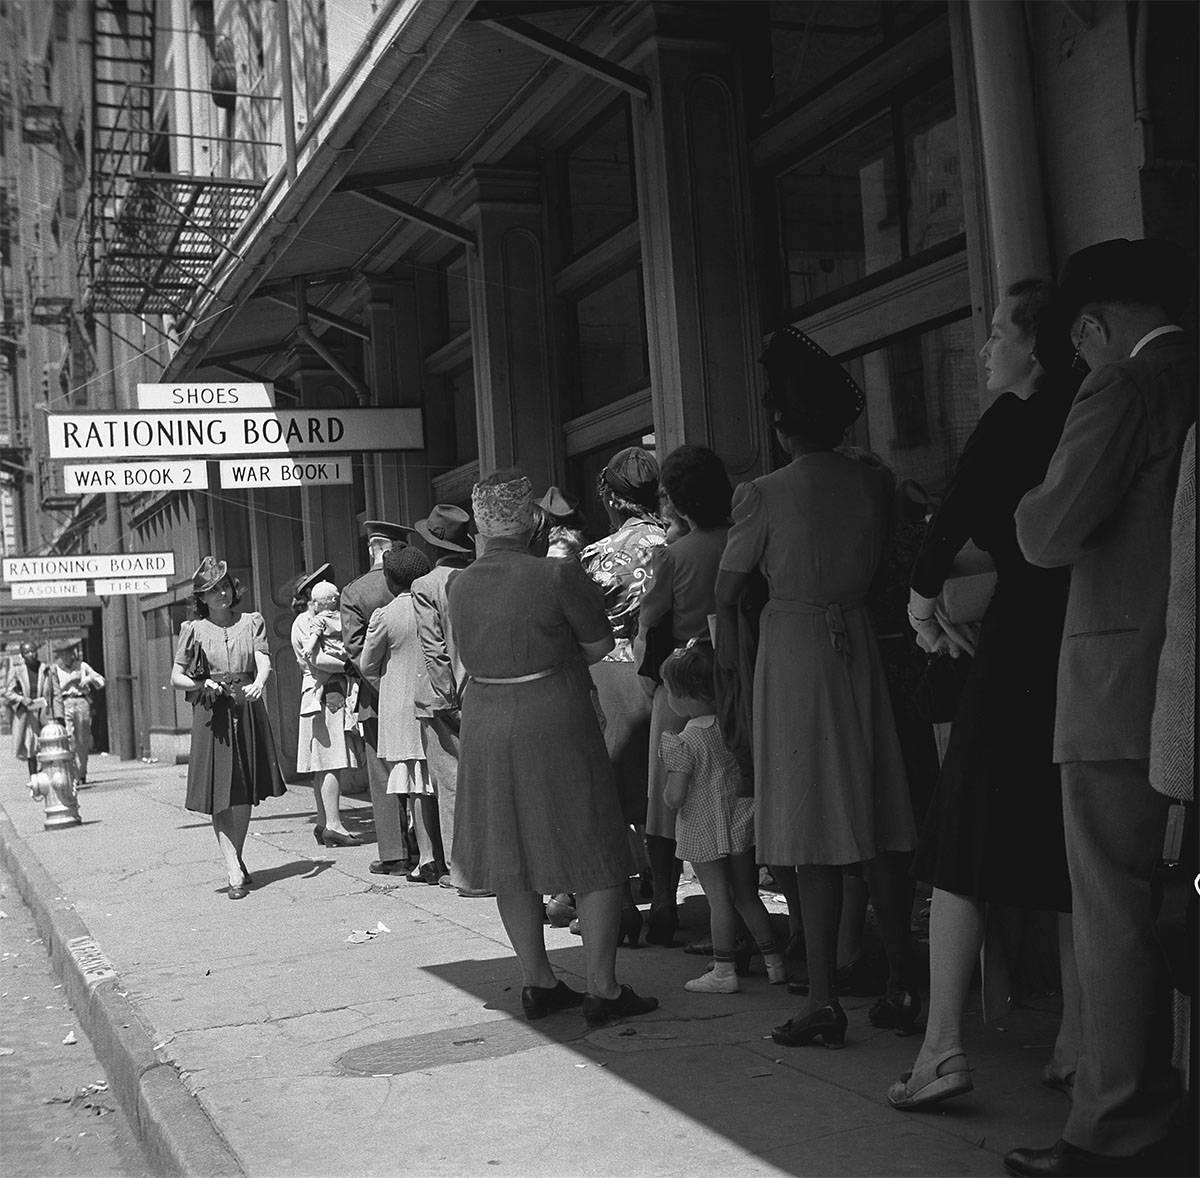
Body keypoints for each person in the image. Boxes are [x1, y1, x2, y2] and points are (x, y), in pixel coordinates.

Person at [1006, 239, 1196, 1178]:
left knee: (1117, 910)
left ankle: (1115, 1126)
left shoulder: (1123, 384)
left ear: (1090, 326)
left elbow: (1048, 530)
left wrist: (1025, 502)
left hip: (1128, 688)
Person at [888, 279, 1083, 1111]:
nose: (984, 347)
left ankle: (941, 1048)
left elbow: (951, 520)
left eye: (999, 332)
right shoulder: (1081, 413)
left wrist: (923, 603)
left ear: (1035, 344)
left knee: (961, 841)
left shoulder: (1012, 420)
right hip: (1075, 638)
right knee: (1072, 844)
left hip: (1016, 645)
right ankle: (1082, 1039)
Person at [715, 325, 918, 1051]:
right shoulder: (873, 481)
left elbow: (728, 588)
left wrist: (735, 669)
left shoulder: (762, 494)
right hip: (858, 641)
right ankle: (900, 982)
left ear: (779, 423)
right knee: (879, 821)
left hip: (796, 649)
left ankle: (824, 998)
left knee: (809, 828)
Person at [447, 470, 657, 1026]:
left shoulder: (458, 584)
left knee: (509, 854)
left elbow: (462, 660)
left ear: (481, 527)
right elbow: (599, 646)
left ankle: (538, 982)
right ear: (534, 521)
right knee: (594, 842)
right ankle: (603, 988)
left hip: (487, 722)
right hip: (553, 715)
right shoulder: (558, 573)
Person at [635, 444, 734, 947]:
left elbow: (649, 616)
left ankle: (667, 907)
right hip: (739, 676)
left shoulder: (676, 555)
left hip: (685, 682)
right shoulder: (741, 540)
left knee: (666, 796)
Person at [658, 640, 786, 994]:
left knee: (719, 900)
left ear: (684, 695)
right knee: (747, 896)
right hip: (739, 823)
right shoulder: (730, 730)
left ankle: (724, 970)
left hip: (703, 830)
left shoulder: (683, 742)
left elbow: (675, 796)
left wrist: (666, 788)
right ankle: (775, 963)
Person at [582, 446, 668, 943]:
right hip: (672, 677)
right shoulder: (676, 543)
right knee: (662, 798)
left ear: (614, 499)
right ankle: (664, 903)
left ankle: (623, 908)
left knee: (611, 800)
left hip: (612, 680)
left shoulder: (599, 557)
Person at [170, 557, 286, 899]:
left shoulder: (252, 622)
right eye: (212, 590)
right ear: (201, 598)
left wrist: (261, 681)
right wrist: (202, 682)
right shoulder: (192, 630)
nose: (222, 593)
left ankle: (236, 854)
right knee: (220, 791)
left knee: (243, 788)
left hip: (246, 707)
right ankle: (233, 865)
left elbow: (263, 659)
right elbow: (176, 677)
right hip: (212, 715)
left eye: (224, 586)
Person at [410, 504, 489, 896]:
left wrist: (445, 698)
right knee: (490, 784)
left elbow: (434, 648)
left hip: (446, 700)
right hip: (486, 692)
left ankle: (466, 872)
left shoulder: (425, 586)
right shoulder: (480, 577)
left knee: (453, 788)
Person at [360, 545, 445, 885]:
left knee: (414, 785)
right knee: (437, 781)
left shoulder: (386, 614)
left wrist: (390, 684)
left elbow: (367, 664)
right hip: (437, 702)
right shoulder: (436, 604)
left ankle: (426, 857)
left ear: (391, 581)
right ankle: (445, 852)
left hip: (400, 708)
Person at [341, 520, 411, 873]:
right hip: (420, 691)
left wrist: (384, 688)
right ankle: (431, 852)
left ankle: (395, 854)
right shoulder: (417, 580)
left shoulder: (355, 592)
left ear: (373, 549)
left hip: (376, 699)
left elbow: (355, 650)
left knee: (384, 775)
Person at [293, 579, 365, 849]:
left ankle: (325, 822)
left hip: (321, 694)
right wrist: (349, 666)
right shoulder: (305, 622)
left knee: (322, 764)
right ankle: (333, 824)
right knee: (330, 760)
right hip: (324, 694)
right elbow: (314, 658)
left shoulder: (314, 621)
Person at [51, 641, 105, 785]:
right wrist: (69, 681)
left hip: (81, 702)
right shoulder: (55, 669)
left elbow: (101, 681)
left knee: (82, 740)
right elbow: (54, 690)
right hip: (65, 703)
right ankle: (72, 774)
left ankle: (82, 773)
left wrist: (88, 678)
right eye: (63, 653)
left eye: (69, 652)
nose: (67, 656)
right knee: (69, 740)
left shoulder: (82, 666)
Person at [6, 641, 57, 781]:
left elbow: (54, 692)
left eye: (32, 651)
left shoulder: (45, 669)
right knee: (31, 744)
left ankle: (48, 772)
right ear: (22, 655)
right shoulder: (17, 670)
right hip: (28, 712)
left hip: (44, 709)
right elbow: (8, 692)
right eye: (26, 652)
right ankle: (34, 778)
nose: (30, 655)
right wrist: (22, 699)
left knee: (47, 741)